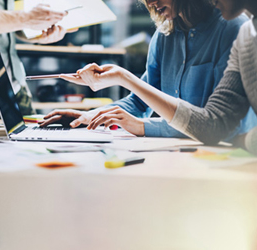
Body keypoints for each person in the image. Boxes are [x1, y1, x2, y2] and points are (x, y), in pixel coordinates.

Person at [41, 0, 257, 154]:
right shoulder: (164, 36)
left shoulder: (234, 29)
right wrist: (91, 117)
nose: (150, 2)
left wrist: (143, 126)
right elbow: (140, 100)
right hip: (179, 155)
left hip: (224, 155)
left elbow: (221, 125)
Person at [0, 0, 74, 116]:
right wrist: (26, 18)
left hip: (13, 79)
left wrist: (39, 35)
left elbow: (9, 29)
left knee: (28, 132)